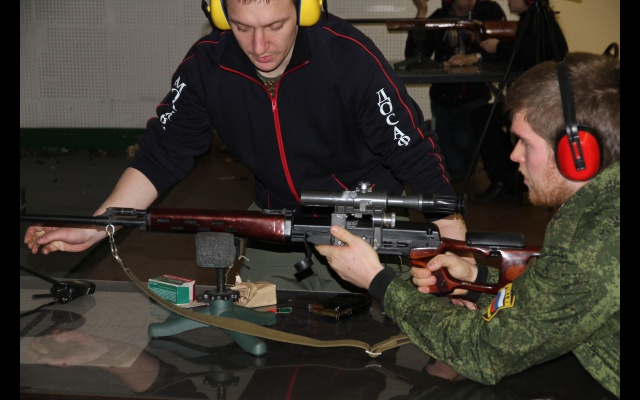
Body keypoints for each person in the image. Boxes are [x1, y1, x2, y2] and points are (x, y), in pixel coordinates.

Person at [23, 0, 473, 292]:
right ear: (220, 16)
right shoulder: (206, 66)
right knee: (267, 353)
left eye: (275, 25)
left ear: (306, 10)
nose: (260, 46)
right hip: (276, 227)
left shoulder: (349, 57)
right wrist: (98, 226)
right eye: (241, 27)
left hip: (368, 229)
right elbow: (162, 153)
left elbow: (411, 150)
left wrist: (454, 250)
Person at [316, 52, 620, 397]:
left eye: (525, 142)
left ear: (577, 152)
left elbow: (483, 352)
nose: (514, 155)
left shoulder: (598, 239)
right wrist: (476, 279)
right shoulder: (599, 209)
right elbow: (553, 297)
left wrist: (378, 280)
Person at [469, 0, 569, 202]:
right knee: (486, 116)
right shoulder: (534, 19)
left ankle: (502, 180)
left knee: (482, 117)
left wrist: (499, 47)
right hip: (540, 98)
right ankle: (510, 176)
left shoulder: (536, 21)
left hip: (541, 104)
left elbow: (526, 58)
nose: (509, 1)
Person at [404, 0, 507, 181]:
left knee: (464, 144)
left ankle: (478, 153)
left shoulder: (490, 11)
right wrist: (421, 12)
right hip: (443, 100)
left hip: (475, 98)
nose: (470, 1)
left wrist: (476, 57)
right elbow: (414, 55)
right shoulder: (439, 18)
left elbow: (506, 49)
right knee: (456, 169)